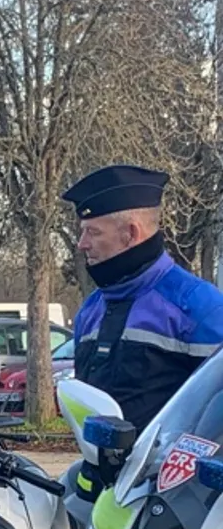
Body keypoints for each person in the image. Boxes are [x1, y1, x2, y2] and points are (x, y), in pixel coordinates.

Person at [65, 164, 223, 436]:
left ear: (131, 233)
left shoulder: (199, 308)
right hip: (101, 475)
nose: (82, 244)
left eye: (93, 232)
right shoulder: (91, 309)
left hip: (170, 477)